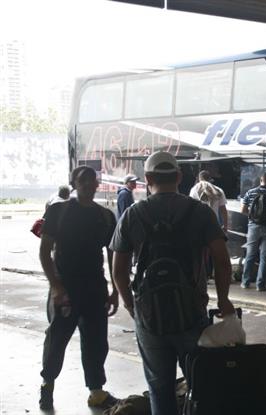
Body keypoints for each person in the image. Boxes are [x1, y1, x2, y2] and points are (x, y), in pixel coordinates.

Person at [110, 151, 235, 415]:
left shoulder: (132, 215)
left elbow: (118, 271)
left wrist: (131, 306)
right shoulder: (200, 212)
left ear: (147, 179)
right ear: (178, 177)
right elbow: (222, 261)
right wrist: (223, 299)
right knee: (200, 383)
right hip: (192, 312)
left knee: (159, 388)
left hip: (149, 317)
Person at [37, 166, 119, 411]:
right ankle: (47, 385)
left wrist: (115, 290)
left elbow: (112, 255)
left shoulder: (105, 216)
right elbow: (44, 252)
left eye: (92, 180)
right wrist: (56, 287)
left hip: (95, 288)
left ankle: (96, 392)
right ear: (73, 183)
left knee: (96, 341)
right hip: (66, 289)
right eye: (83, 180)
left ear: (97, 184)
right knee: (57, 339)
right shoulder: (59, 211)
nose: (88, 185)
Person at [240, 172, 266, 290]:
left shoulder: (250, 193)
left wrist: (253, 216)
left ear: (261, 180)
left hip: (253, 227)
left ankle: (245, 282)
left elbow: (243, 210)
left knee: (250, 255)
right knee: (265, 257)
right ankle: (260, 284)